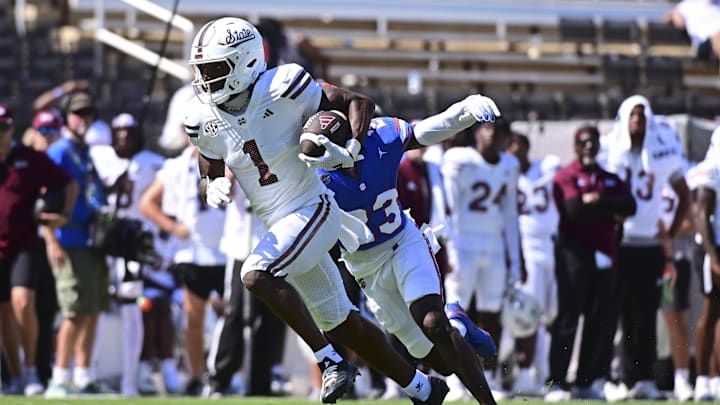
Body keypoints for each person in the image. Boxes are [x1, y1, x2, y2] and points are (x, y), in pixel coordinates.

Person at [186, 16, 447, 404]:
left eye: (213, 70)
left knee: (255, 274)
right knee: (342, 323)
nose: (205, 80)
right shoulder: (201, 117)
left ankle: (329, 362)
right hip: (279, 223)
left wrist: (354, 148)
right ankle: (424, 389)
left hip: (314, 207)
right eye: (201, 71)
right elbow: (209, 167)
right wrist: (212, 186)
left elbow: (358, 102)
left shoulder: (284, 86)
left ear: (244, 63)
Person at [313, 95, 502, 405]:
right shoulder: (312, 174)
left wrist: (463, 112)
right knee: (439, 362)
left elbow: (426, 131)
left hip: (402, 243)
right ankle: (457, 321)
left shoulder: (379, 136)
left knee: (432, 324)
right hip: (364, 268)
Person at [601, 95, 690, 400]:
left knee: (647, 315)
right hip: (620, 244)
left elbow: (684, 195)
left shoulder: (662, 153)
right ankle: (622, 377)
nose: (638, 120)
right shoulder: (609, 150)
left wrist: (671, 233)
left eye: (642, 115)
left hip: (650, 245)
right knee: (620, 315)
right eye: (633, 115)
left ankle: (646, 378)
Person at [545, 125, 636, 401]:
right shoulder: (566, 175)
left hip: (605, 254)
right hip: (574, 254)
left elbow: (630, 206)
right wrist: (609, 208)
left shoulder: (608, 178)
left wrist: (599, 200)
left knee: (598, 320)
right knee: (568, 318)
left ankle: (585, 380)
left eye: (593, 142)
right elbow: (574, 210)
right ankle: (557, 381)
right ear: (575, 146)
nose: (589, 147)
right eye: (584, 142)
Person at [0, 104, 78, 396]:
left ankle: (32, 369)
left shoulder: (30, 159)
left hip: (24, 243)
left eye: (3, 127)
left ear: (12, 129)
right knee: (4, 313)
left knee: (22, 302)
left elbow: (68, 185)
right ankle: (15, 375)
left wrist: (64, 216)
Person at [440, 117, 520, 401]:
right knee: (454, 312)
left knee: (492, 315)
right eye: (486, 128)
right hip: (463, 244)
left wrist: (516, 262)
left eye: (497, 130)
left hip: (494, 246)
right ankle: (452, 377)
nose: (491, 134)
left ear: (505, 138)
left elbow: (511, 218)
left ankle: (490, 375)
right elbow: (447, 207)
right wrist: (449, 247)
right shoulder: (458, 159)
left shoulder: (510, 165)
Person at [139, 142, 227, 396]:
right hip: (193, 252)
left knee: (231, 320)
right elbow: (147, 203)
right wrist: (173, 227)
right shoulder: (177, 166)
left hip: (227, 249)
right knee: (194, 319)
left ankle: (230, 374)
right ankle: (197, 377)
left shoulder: (230, 159)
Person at [42, 91, 113, 397]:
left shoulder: (83, 151)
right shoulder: (59, 151)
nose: (84, 119)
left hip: (91, 239)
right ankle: (60, 376)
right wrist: (50, 240)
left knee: (92, 308)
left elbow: (90, 191)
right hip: (68, 239)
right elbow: (43, 199)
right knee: (74, 310)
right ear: (66, 117)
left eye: (88, 113)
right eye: (78, 113)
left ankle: (84, 375)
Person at [92, 113, 165, 396]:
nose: (123, 137)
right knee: (95, 307)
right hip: (103, 238)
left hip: (132, 241)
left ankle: (130, 381)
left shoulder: (150, 162)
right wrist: (111, 186)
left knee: (132, 307)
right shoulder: (100, 157)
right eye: (118, 131)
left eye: (129, 132)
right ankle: (90, 373)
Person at [506, 132, 560, 396]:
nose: (515, 151)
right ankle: (527, 373)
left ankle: (545, 374)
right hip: (528, 251)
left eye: (520, 145)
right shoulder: (506, 176)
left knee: (551, 316)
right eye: (511, 146)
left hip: (553, 249)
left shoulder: (545, 167)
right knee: (529, 316)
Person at [658, 168, 696, 403]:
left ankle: (682, 378)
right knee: (633, 315)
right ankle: (631, 377)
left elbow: (693, 221)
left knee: (675, 318)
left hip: (675, 257)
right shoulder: (641, 173)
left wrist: (666, 233)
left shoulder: (685, 178)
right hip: (644, 252)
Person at [689, 149, 720, 401]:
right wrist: (713, 257)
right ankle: (702, 379)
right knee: (711, 312)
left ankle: (717, 376)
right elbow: (701, 215)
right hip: (714, 247)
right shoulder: (712, 169)